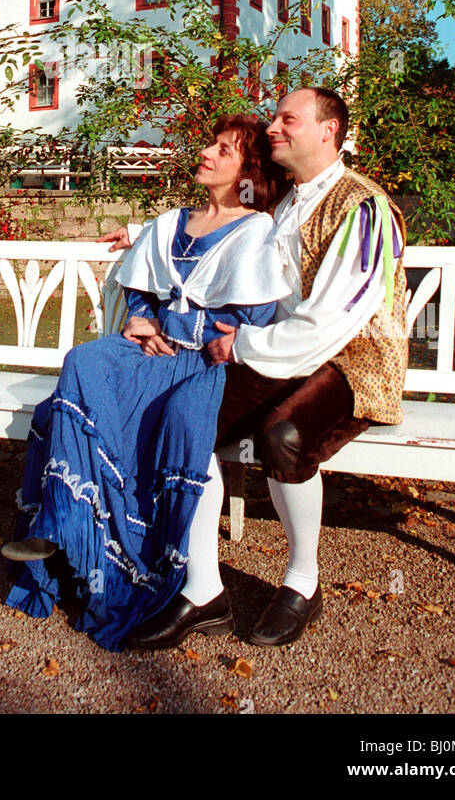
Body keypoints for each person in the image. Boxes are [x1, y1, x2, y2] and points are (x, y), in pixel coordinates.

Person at [125, 85, 407, 651]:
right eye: (275, 118)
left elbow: (333, 319)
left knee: (286, 435)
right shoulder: (285, 201)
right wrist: (138, 238)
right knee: (189, 416)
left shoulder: (363, 206)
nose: (274, 127)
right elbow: (231, 240)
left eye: (288, 119)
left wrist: (244, 346)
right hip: (278, 350)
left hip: (352, 360)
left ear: (328, 130)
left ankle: (303, 582)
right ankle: (204, 590)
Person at [1, 115, 290, 652]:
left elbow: (254, 313)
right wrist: (137, 317)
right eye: (210, 142)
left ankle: (69, 531)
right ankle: (62, 523)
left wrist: (202, 334)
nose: (206, 152)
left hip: (199, 365)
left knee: (80, 398)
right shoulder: (171, 221)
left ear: (249, 171)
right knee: (85, 360)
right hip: (146, 347)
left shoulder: (255, 231)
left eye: (223, 150)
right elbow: (142, 290)